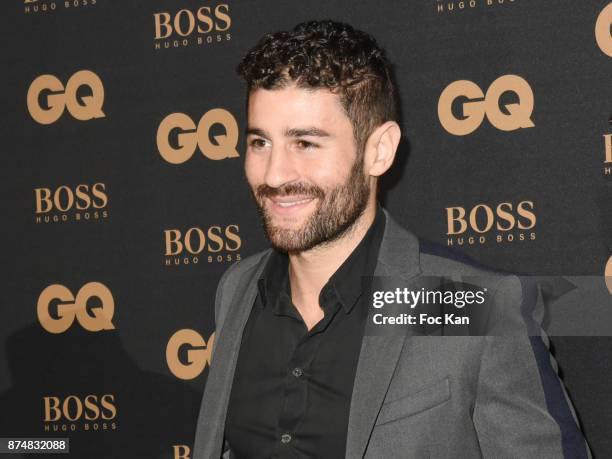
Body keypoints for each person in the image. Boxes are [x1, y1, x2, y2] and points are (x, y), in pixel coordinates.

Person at [192, 20, 590, 458]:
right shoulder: (238, 290)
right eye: (259, 143)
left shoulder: (461, 304)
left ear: (378, 150)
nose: (274, 175)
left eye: (305, 143)